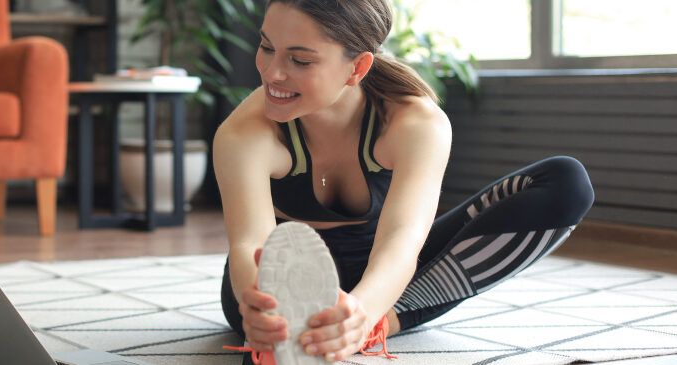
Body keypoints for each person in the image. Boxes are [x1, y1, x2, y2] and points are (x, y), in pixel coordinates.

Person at [213, 0, 596, 364]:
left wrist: (362, 312)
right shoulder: (244, 133)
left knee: (566, 182)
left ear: (357, 68)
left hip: (387, 276)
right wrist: (259, 305)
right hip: (281, 279)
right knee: (271, 289)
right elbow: (252, 243)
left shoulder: (415, 123)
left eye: (299, 59)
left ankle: (379, 323)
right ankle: (326, 329)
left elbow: (402, 242)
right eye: (266, 47)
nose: (272, 72)